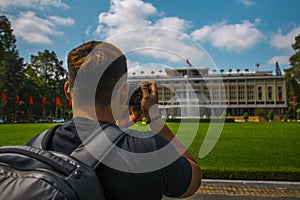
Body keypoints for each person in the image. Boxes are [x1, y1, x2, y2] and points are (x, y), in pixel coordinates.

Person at [28, 41, 202, 200]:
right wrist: (155, 118)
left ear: (68, 90)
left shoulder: (36, 147)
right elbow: (193, 177)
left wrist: (119, 129)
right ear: (124, 92)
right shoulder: (149, 149)